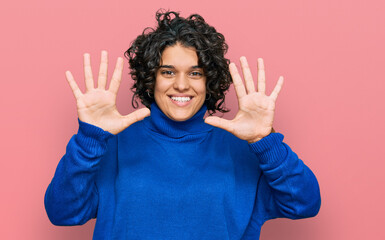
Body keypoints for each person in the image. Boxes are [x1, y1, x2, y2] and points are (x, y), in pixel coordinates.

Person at [44, 10, 321, 240]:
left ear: (209, 80)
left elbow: (304, 204)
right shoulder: (109, 144)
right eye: (167, 72)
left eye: (195, 73)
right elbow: (62, 213)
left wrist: (265, 140)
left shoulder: (245, 150)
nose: (181, 84)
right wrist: (90, 138)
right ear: (150, 78)